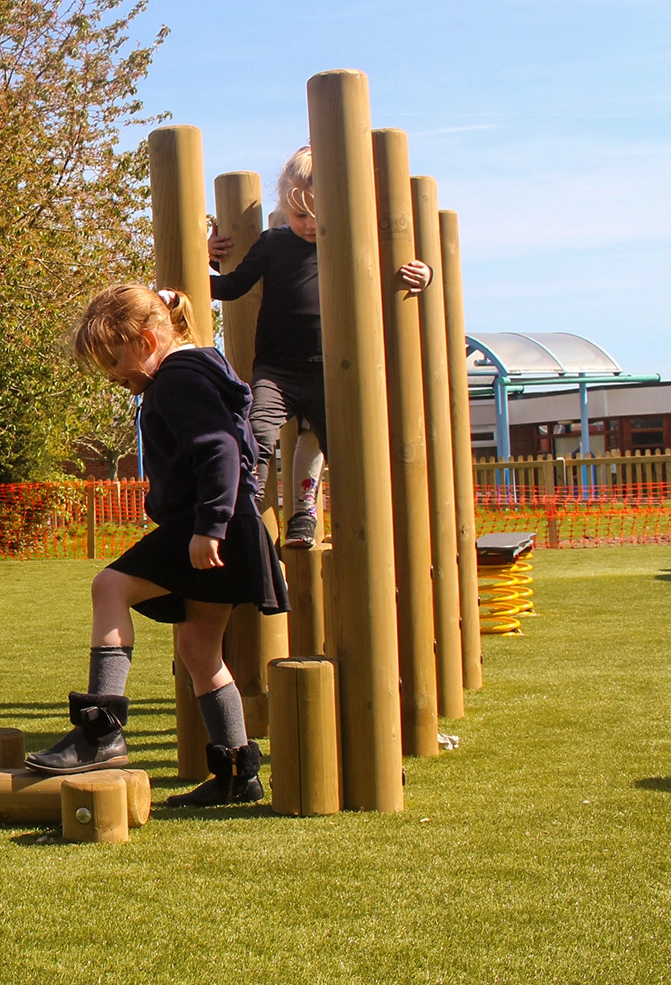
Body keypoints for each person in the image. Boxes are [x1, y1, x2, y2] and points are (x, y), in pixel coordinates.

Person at [26, 284, 287, 808]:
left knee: (110, 587)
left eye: (115, 361)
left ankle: (102, 733)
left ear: (147, 339)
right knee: (198, 651)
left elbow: (219, 449)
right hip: (230, 525)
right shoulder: (204, 367)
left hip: (209, 526)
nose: (114, 376)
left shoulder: (175, 380)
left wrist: (208, 526)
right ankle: (238, 773)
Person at [207, 146, 430, 547]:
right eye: (300, 216)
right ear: (285, 208)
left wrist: (424, 273)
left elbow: (396, 269)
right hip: (277, 368)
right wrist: (199, 260)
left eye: (317, 215)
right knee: (257, 428)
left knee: (341, 449)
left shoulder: (349, 243)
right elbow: (232, 287)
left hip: (333, 369)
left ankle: (307, 519)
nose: (310, 225)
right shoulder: (273, 243)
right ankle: (249, 501)